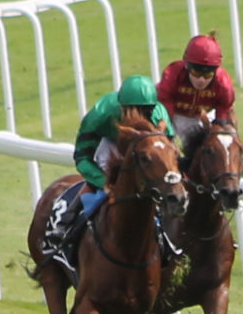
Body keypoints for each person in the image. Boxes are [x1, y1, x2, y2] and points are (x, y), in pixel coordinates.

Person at [40, 76, 170, 274]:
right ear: (121, 107)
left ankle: (170, 236)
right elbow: (82, 155)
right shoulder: (102, 113)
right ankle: (64, 224)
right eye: (132, 111)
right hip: (111, 143)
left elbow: (167, 155)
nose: (140, 117)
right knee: (102, 185)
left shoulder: (161, 116)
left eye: (146, 111)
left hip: (147, 149)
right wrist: (103, 181)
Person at [157, 35, 238, 142]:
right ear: (187, 66)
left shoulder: (223, 83)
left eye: (208, 74)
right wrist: (167, 126)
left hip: (206, 116)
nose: (201, 80)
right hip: (175, 115)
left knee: (229, 135)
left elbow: (225, 106)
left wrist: (219, 125)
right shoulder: (173, 74)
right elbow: (164, 100)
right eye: (196, 72)